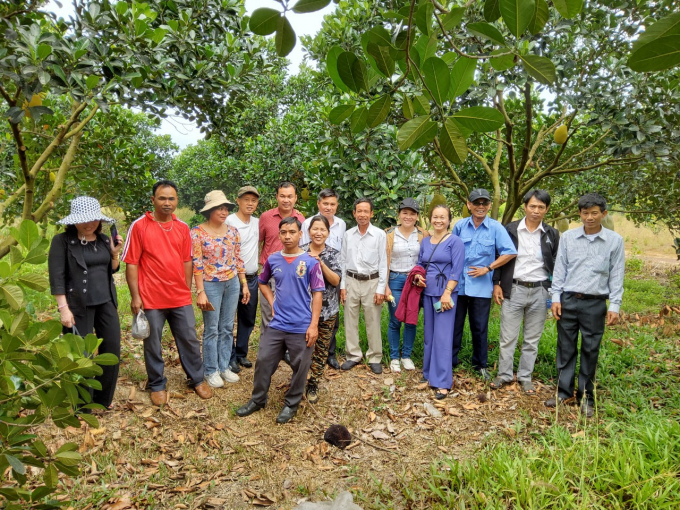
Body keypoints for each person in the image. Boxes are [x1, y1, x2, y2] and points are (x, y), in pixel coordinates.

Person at [122, 180, 212, 405]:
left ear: (177, 201)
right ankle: (157, 384)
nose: (167, 203)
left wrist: (186, 287)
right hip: (151, 297)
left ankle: (197, 378)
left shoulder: (182, 228)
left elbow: (186, 260)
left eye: (171, 198)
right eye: (162, 198)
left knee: (189, 339)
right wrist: (135, 296)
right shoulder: (140, 226)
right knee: (152, 342)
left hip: (178, 296)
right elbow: (131, 263)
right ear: (153, 200)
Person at [236, 217, 324, 423]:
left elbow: (318, 294)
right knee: (264, 360)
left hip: (302, 325)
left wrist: (314, 325)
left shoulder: (310, 262)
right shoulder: (273, 259)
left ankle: (291, 403)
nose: (287, 236)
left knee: (301, 365)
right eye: (283, 232)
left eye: (292, 232)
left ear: (300, 234)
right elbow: (262, 282)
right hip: (277, 324)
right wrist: (272, 301)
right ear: (279, 234)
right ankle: (258, 399)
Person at [546, 193, 624, 418]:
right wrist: (556, 298)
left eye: (594, 213)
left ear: (603, 214)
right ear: (579, 214)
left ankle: (586, 396)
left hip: (595, 302)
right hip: (569, 299)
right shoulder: (569, 238)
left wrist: (615, 306)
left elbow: (617, 274)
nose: (589, 217)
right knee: (565, 347)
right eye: (585, 213)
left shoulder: (614, 241)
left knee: (590, 349)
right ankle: (563, 392)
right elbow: (559, 269)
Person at [48, 197, 123, 410]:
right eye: (83, 220)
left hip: (106, 302)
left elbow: (112, 269)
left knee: (111, 349)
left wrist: (114, 254)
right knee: (82, 355)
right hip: (77, 305)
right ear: (73, 221)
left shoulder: (103, 239)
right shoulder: (62, 241)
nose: (89, 224)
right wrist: (63, 309)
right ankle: (82, 404)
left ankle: (102, 399)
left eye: (93, 220)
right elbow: (57, 277)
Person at [491, 190, 560, 394]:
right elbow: (499, 256)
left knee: (532, 339)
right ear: (525, 207)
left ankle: (525, 376)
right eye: (532, 206)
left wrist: (554, 291)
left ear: (546, 210)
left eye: (541, 207)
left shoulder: (551, 234)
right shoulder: (510, 230)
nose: (536, 211)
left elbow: (557, 263)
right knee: (508, 337)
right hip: (513, 288)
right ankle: (504, 375)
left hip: (540, 290)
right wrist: (497, 283)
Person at [451, 189, 517, 380]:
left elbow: (510, 252)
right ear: (469, 205)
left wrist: (488, 268)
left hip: (481, 287)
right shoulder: (460, 226)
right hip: (460, 285)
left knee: (479, 327)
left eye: (484, 203)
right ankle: (451, 361)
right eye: (476, 203)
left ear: (489, 206)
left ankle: (480, 364)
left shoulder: (496, 228)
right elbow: (453, 252)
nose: (480, 207)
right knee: (455, 325)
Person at [191, 190, 248, 388]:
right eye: (219, 208)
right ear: (209, 211)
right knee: (212, 329)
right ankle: (210, 370)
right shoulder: (197, 232)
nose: (224, 212)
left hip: (231, 283)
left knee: (226, 327)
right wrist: (200, 291)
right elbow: (196, 263)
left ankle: (224, 366)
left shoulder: (233, 231)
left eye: (225, 208)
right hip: (210, 284)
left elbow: (237, 259)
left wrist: (244, 283)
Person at [413, 204, 464, 398]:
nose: (438, 220)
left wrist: (447, 293)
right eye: (435, 217)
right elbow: (420, 264)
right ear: (430, 219)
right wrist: (418, 277)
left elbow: (456, 270)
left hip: (446, 295)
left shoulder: (455, 242)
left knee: (443, 337)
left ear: (449, 220)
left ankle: (442, 381)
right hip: (428, 292)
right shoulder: (425, 241)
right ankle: (428, 373)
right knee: (429, 335)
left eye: (443, 217)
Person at [340, 197, 388, 374]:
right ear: (354, 214)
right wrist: (343, 286)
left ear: (371, 214)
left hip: (372, 281)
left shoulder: (379, 235)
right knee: (350, 319)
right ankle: (353, 355)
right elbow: (343, 261)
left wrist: (381, 288)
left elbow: (383, 263)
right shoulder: (348, 235)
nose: (362, 214)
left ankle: (375, 356)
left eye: (365, 211)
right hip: (351, 280)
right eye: (359, 211)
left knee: (373, 320)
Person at [300, 189, 346, 370]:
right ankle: (307, 354)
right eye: (325, 203)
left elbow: (342, 254)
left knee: (331, 318)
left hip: (332, 273)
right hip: (309, 277)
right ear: (319, 204)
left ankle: (329, 353)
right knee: (309, 316)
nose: (328, 207)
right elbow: (302, 248)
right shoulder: (307, 223)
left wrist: (341, 284)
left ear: (337, 206)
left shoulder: (341, 224)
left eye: (332, 204)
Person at [385, 198, 428, 373]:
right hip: (395, 279)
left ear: (417, 216)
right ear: (399, 215)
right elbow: (384, 261)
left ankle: (406, 356)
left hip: (414, 282)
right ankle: (394, 357)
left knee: (411, 319)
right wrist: (385, 285)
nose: (408, 217)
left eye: (412, 213)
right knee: (395, 319)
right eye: (405, 213)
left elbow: (426, 259)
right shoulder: (389, 234)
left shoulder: (423, 235)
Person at [301, 215, 342, 403]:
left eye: (322, 230)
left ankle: (313, 383)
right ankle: (299, 379)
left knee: (321, 349)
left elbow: (335, 281)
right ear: (309, 232)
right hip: (303, 310)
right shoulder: (300, 252)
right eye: (315, 229)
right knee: (302, 347)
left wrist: (320, 262)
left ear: (328, 233)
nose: (318, 233)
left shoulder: (333, 254)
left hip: (327, 311)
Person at [258, 182, 305, 334]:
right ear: (277, 197)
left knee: (289, 312)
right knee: (269, 313)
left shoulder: (301, 218)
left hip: (292, 275)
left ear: (296, 198)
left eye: (290, 196)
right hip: (270, 274)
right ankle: (268, 351)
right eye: (282, 196)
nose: (286, 200)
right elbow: (258, 242)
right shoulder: (266, 217)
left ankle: (287, 349)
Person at [226, 185, 260, 373]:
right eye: (246, 199)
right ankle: (230, 356)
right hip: (232, 278)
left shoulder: (257, 222)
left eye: (253, 200)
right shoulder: (230, 221)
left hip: (252, 277)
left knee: (247, 318)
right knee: (229, 318)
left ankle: (241, 353)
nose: (250, 203)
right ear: (237, 201)